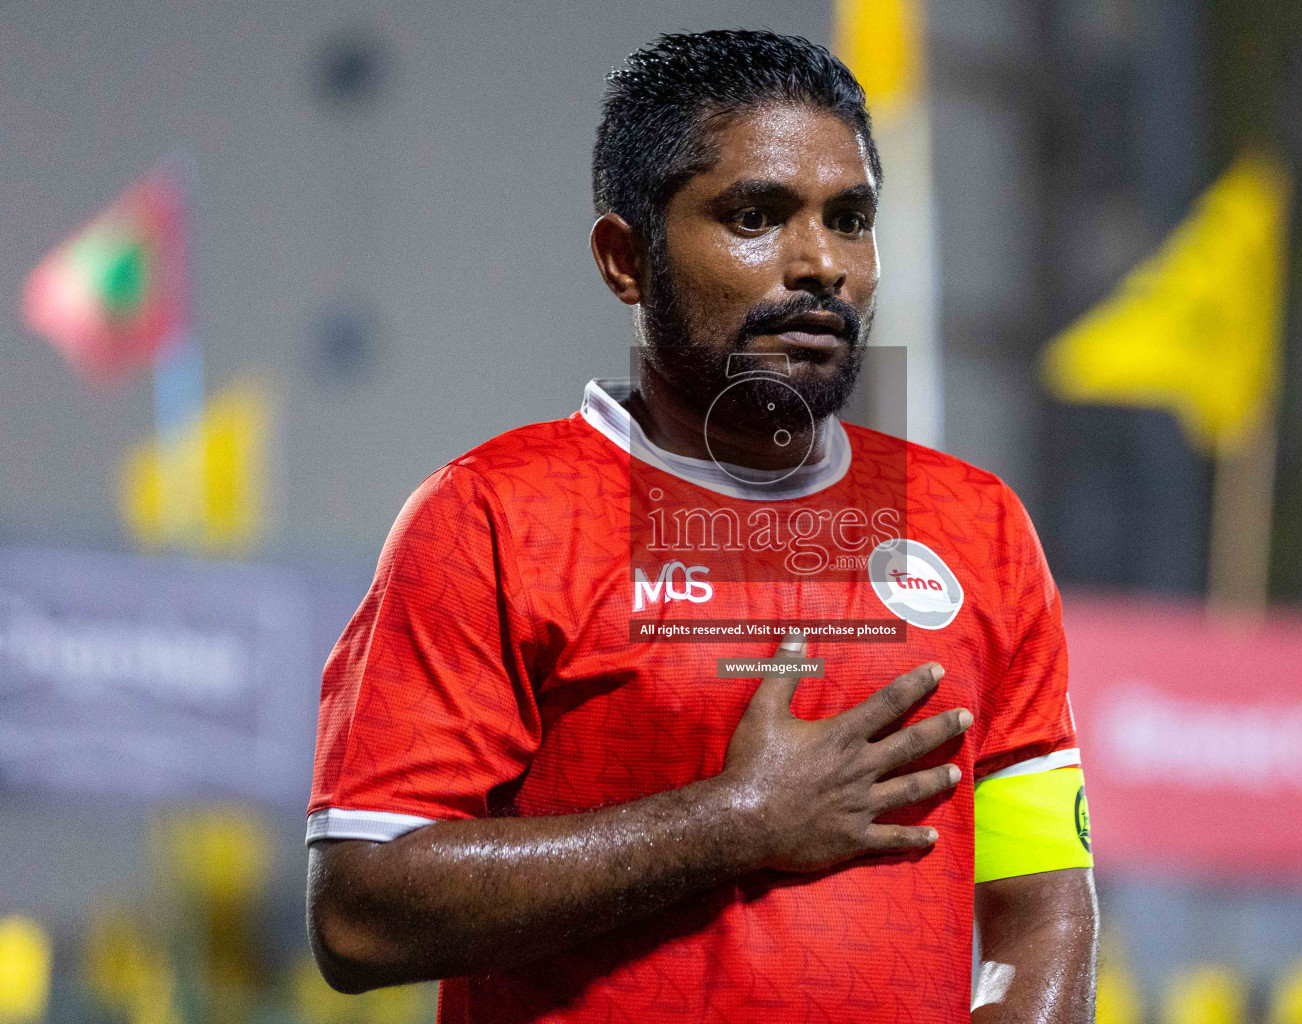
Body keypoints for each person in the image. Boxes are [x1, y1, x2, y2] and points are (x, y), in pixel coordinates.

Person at [306, 29, 1097, 1023]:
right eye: (757, 214)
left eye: (850, 219)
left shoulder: (978, 526)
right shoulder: (491, 516)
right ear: (624, 257)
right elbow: (360, 915)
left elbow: (1043, 916)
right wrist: (734, 820)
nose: (820, 264)